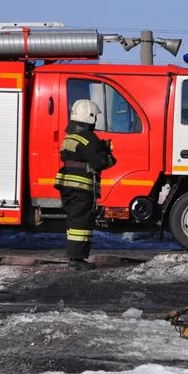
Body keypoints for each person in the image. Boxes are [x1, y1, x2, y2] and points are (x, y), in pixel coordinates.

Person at [54, 99, 117, 270]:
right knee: (81, 222)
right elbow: (100, 162)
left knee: (74, 221)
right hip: (81, 188)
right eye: (95, 116)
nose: (96, 120)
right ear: (89, 117)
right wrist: (108, 153)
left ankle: (74, 257)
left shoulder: (70, 137)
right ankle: (76, 260)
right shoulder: (89, 138)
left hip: (67, 185)